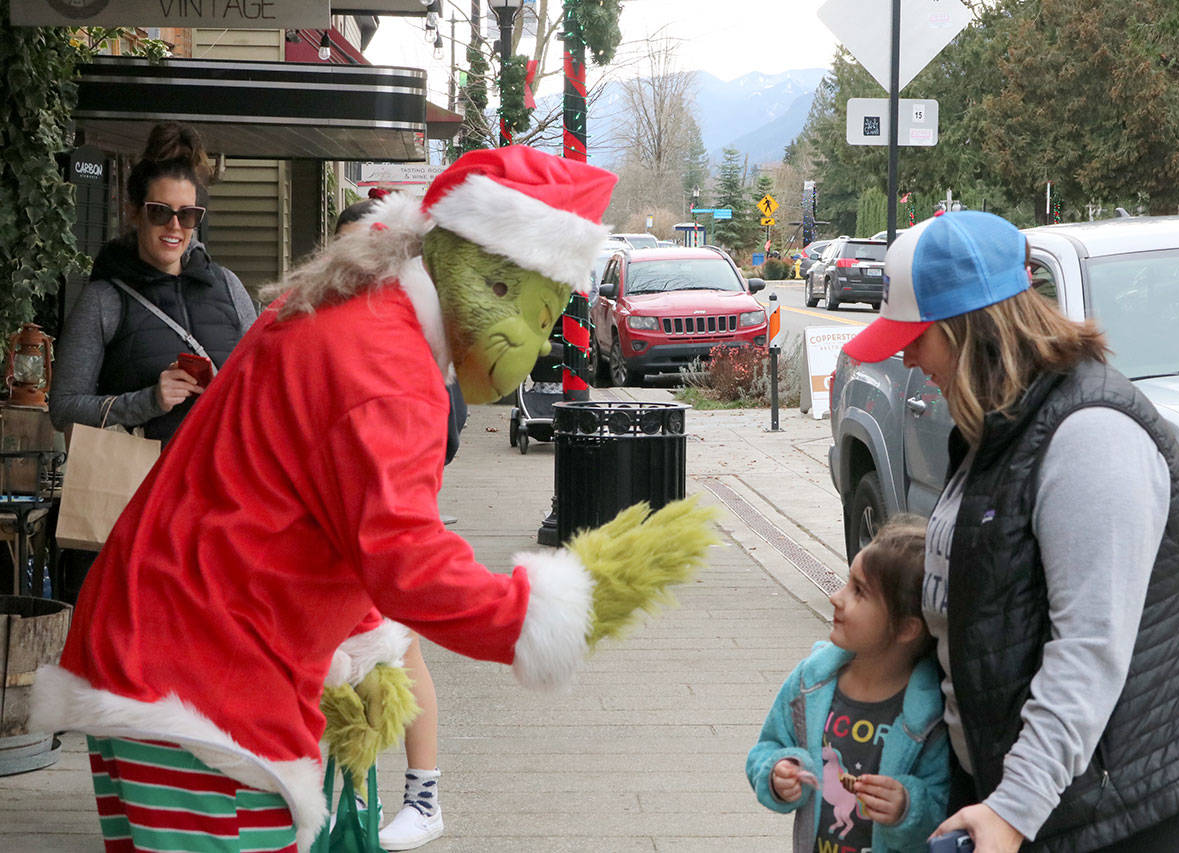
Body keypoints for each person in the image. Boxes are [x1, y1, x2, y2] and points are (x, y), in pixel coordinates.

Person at [33, 146, 715, 853]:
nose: (538, 346)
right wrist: (542, 613)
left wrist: (364, 642)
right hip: (205, 680)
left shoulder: (353, 303)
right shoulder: (391, 370)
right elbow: (407, 558)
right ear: (493, 281)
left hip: (156, 645)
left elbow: (317, 500)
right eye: (542, 317)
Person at [841, 211, 1179, 852]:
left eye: (918, 337)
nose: (907, 356)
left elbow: (1089, 649)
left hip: (1104, 807)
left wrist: (1013, 810)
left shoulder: (1091, 434)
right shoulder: (997, 426)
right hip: (1031, 793)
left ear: (972, 330)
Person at [48, 121, 256, 604]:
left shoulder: (227, 287)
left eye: (188, 215)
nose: (174, 227)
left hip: (222, 509)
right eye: (161, 212)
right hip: (136, 510)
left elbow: (262, 386)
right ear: (134, 213)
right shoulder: (104, 299)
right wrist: (146, 401)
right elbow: (63, 408)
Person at [334, 194, 455, 850]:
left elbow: (448, 427)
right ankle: (350, 797)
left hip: (388, 523)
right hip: (330, 528)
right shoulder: (318, 325)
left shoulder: (409, 333)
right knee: (340, 664)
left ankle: (420, 793)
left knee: (398, 651)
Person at [747, 515, 949, 853]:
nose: (836, 598)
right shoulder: (809, 683)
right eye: (846, 583)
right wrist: (777, 772)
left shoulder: (930, 715)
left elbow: (943, 804)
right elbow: (766, 748)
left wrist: (907, 807)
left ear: (906, 629)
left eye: (859, 592)